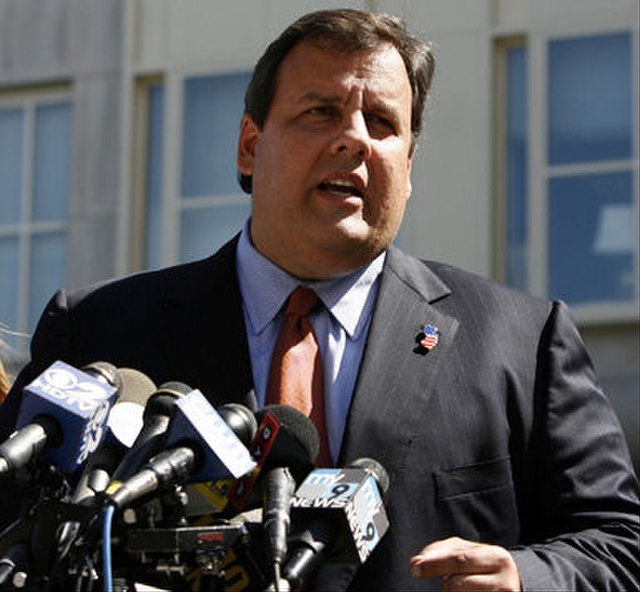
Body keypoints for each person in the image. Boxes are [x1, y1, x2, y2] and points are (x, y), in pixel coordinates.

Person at [0, 8, 638, 591]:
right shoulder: (99, 332)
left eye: (383, 123)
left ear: (409, 166)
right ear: (251, 146)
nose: (354, 139)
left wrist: (527, 577)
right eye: (321, 112)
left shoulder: (521, 342)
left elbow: (618, 545)